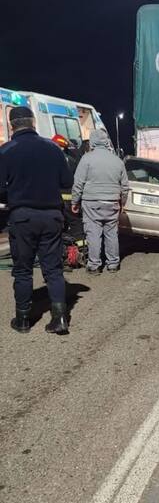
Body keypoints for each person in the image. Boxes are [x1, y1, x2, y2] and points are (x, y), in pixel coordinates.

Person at [0, 106, 73, 334]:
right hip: (52, 216)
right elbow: (66, 181)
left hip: (22, 217)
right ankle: (60, 318)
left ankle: (23, 320)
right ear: (33, 123)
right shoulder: (53, 149)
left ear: (12, 125)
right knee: (53, 269)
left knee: (22, 270)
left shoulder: (6, 151)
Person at [71, 129, 129, 273]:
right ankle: (113, 264)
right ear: (107, 142)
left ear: (92, 142)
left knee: (93, 233)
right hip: (112, 202)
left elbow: (78, 183)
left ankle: (94, 265)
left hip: (91, 202)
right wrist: (123, 203)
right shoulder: (117, 161)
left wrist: (74, 201)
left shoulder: (87, 159)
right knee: (111, 232)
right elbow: (125, 186)